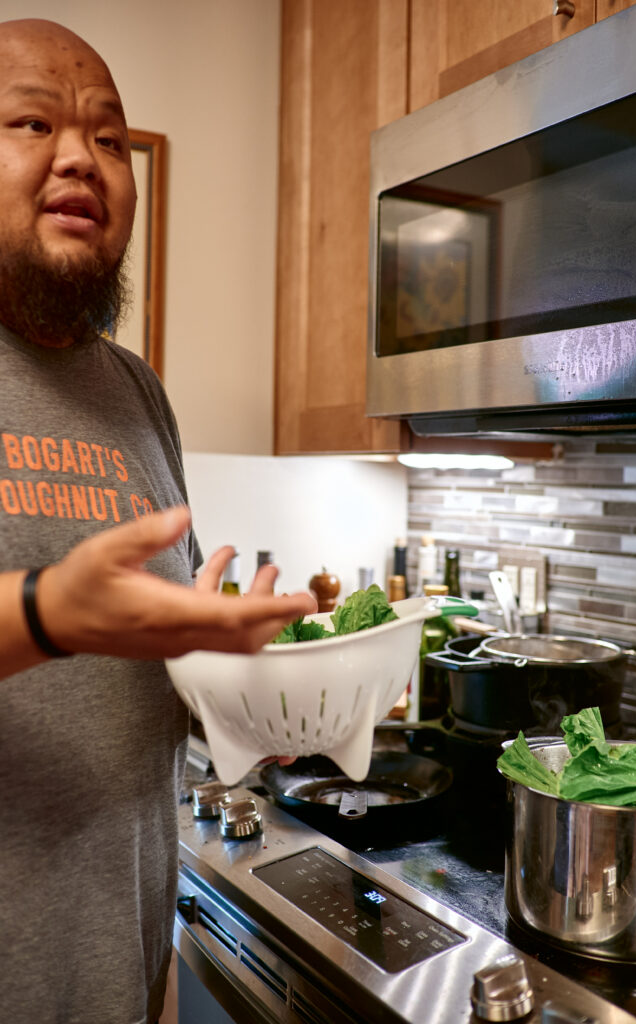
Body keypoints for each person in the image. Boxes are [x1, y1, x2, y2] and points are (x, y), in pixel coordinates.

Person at [0, 18, 316, 1024]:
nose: (78, 160)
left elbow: (144, 693)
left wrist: (248, 686)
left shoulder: (137, 395)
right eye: (30, 121)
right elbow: (73, 620)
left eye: (106, 137)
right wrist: (51, 612)